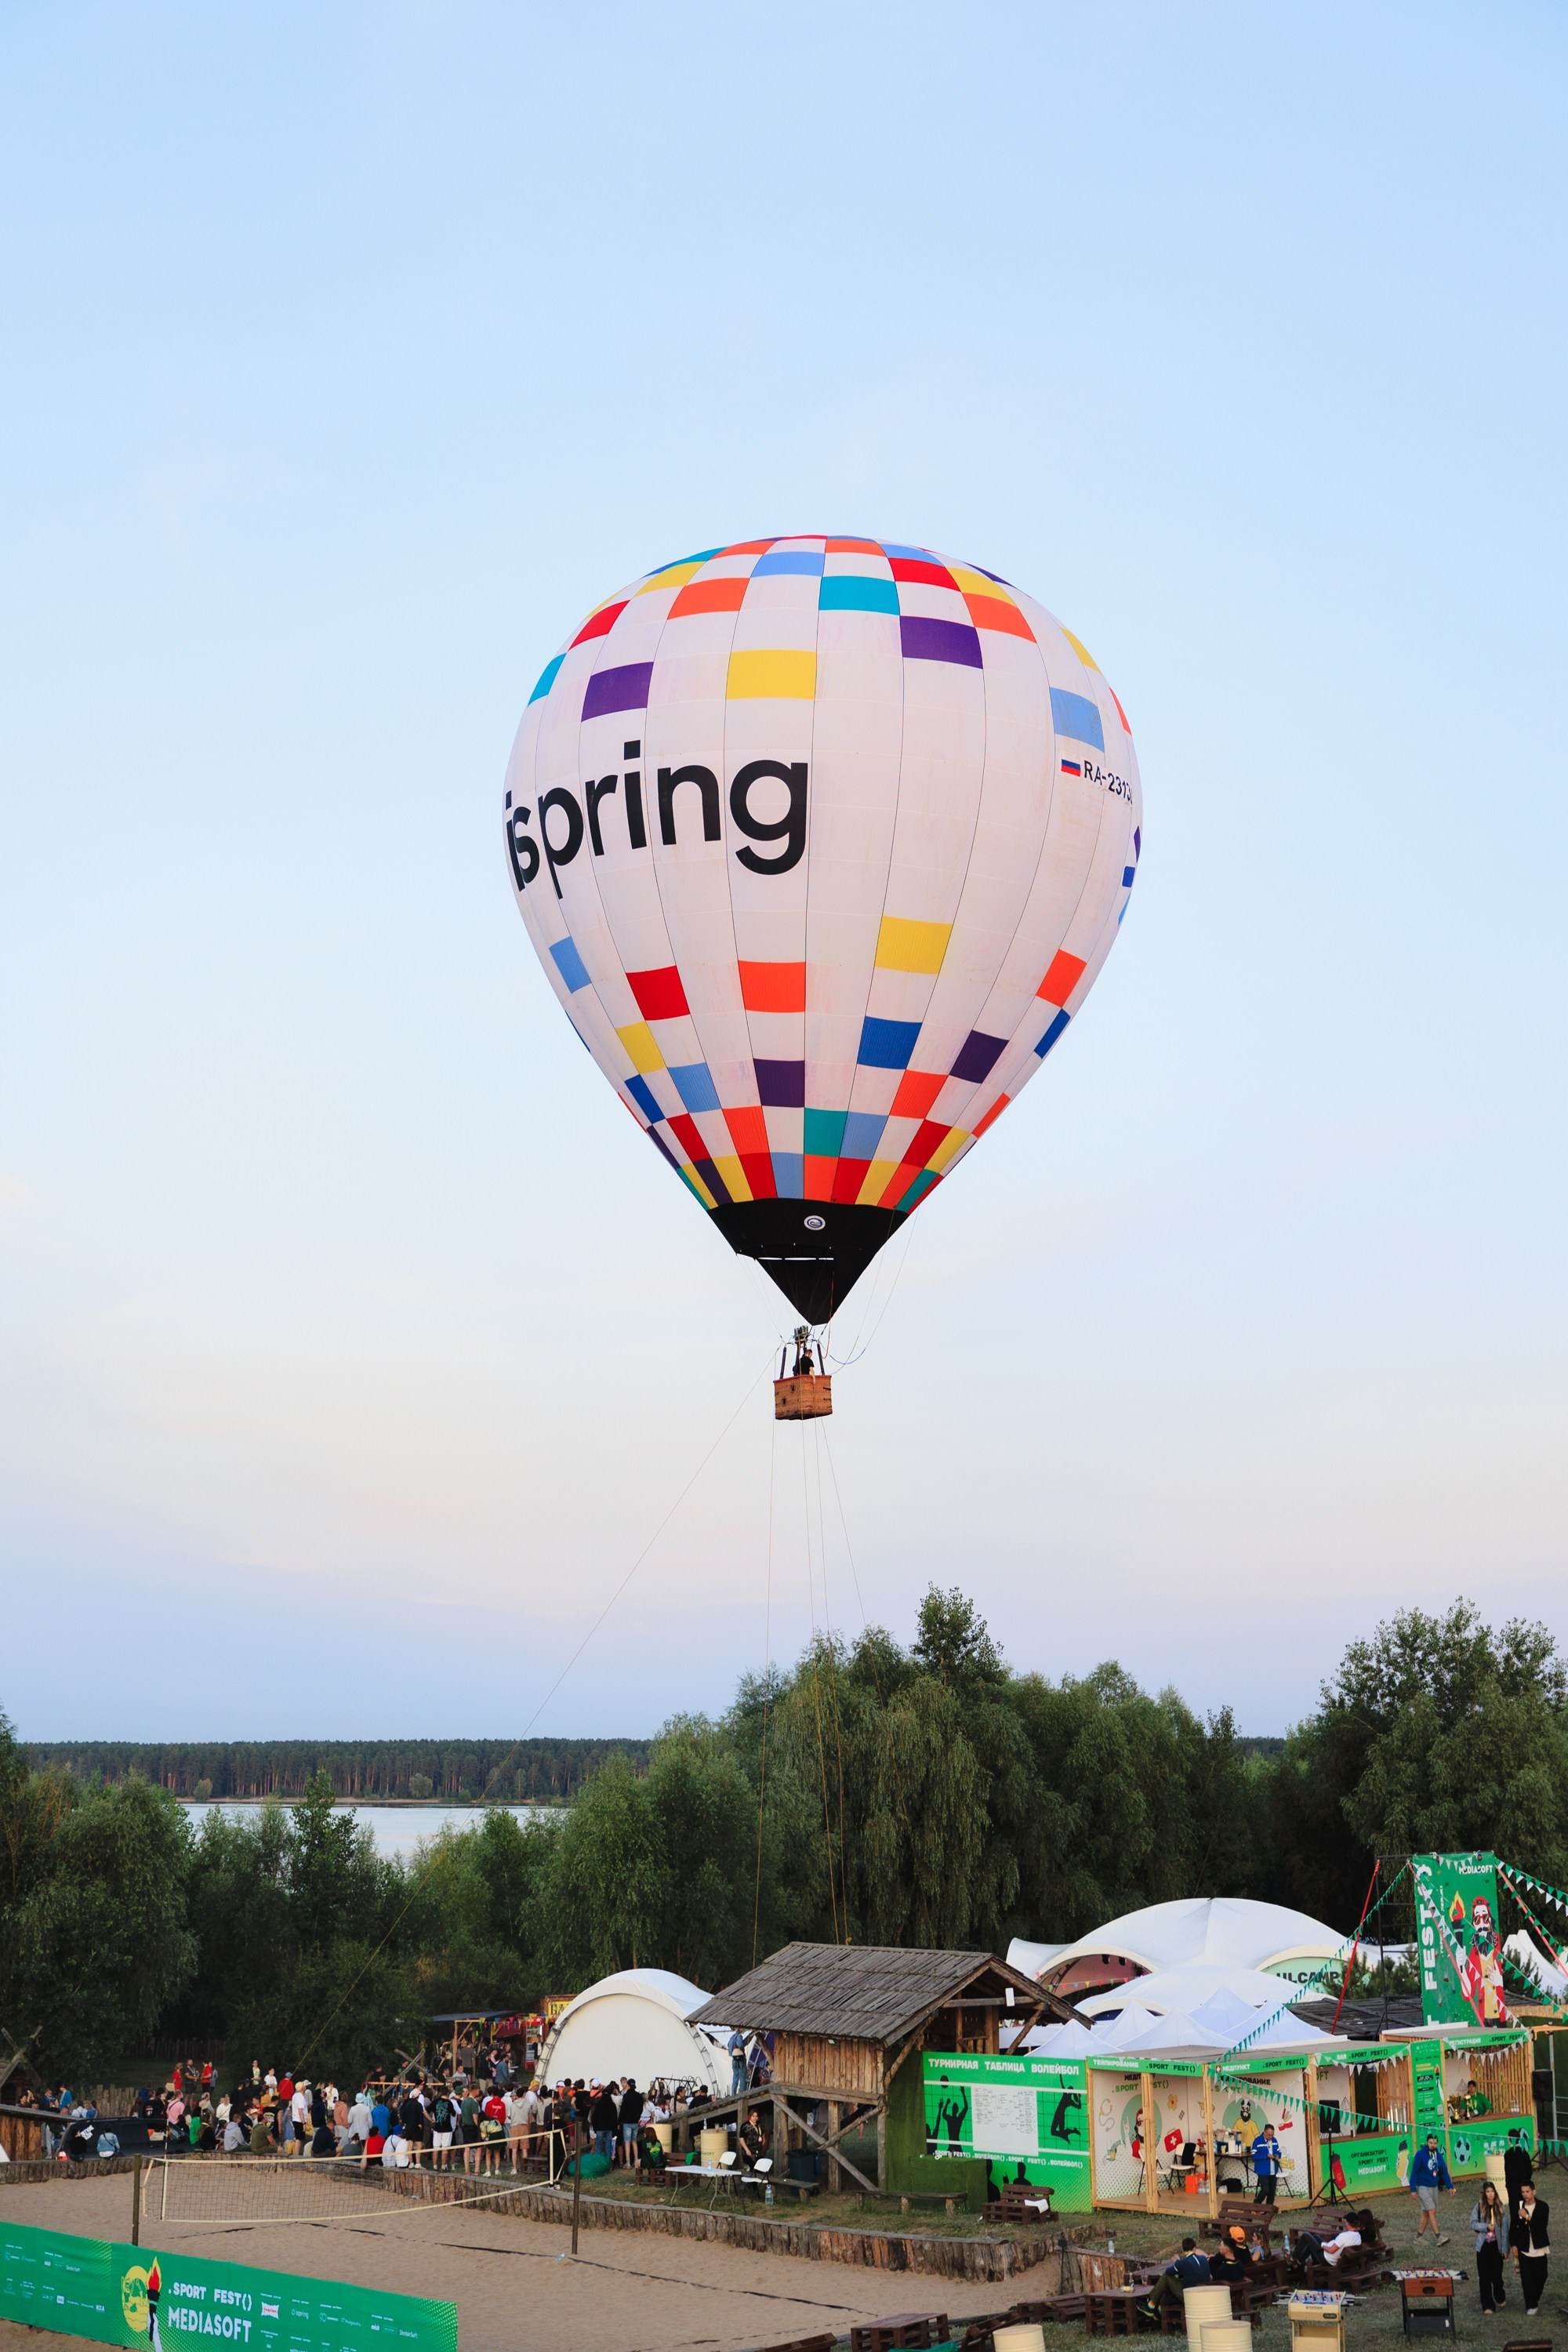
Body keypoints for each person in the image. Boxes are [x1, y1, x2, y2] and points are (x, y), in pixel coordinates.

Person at [1137, 2238, 1211, 2323]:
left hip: (1191, 2297)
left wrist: (1177, 2262)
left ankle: (1151, 2305)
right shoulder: (1203, 2259)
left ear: (1183, 2249)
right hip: (1205, 2294)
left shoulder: (1182, 2263)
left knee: (1166, 2278)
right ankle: (1159, 2310)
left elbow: (1168, 2272)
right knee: (1172, 2284)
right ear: (1195, 2248)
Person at [1471, 2178, 1510, 2313]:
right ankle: (1487, 2305)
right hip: (1483, 2246)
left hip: (1496, 2246)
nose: (1490, 2194)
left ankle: (1499, 2295)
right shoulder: (1479, 2206)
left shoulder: (1500, 2207)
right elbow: (1473, 2223)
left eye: (1492, 2191)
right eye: (1487, 2191)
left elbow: (1505, 2230)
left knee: (1497, 2276)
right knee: (1484, 2277)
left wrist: (1505, 2249)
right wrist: (1486, 2227)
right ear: (1484, 2193)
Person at [1513, 2180, 1548, 2316]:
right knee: (1526, 2279)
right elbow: (1514, 2227)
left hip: (1539, 2247)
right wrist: (1514, 2244)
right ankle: (1531, 2305)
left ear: (1534, 2191)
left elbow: (1541, 2226)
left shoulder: (1543, 2207)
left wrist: (1526, 2216)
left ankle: (1534, 2298)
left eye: (1527, 2192)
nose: (1525, 2195)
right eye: (1523, 2192)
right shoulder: (1519, 2207)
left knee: (1542, 2276)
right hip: (1524, 2248)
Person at [1410, 2132, 1454, 2243]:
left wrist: (1450, 2186)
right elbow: (1414, 2172)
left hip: (1434, 2187)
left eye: (1435, 2143)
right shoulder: (1420, 2155)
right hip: (1423, 2186)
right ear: (1427, 2142)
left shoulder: (1438, 2155)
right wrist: (1413, 2189)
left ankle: (1418, 2237)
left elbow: (1444, 2171)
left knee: (1426, 2213)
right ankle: (1439, 2237)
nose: (1433, 2145)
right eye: (1430, 2143)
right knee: (1431, 2211)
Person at [1504, 2129, 1534, 2216]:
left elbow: (1508, 2171)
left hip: (1513, 2187)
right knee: (1525, 2207)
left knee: (1514, 2210)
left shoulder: (1508, 2154)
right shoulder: (1525, 2153)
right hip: (1523, 2185)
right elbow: (1530, 2170)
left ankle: (1515, 2227)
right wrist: (1526, 2181)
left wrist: (1508, 2185)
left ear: (1509, 2139)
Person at [1250, 2123, 1281, 2205]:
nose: (1271, 2137)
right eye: (1269, 2135)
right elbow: (1253, 2155)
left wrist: (1278, 2156)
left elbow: (1278, 2151)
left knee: (1272, 2192)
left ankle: (1268, 2210)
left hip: (1273, 2170)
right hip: (1262, 2170)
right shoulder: (1257, 2141)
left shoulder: (1274, 2140)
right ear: (1264, 2132)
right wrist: (1266, 2156)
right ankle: (1256, 2204)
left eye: (1272, 2135)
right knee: (1265, 2190)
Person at [589, 2082, 619, 2162]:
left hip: (600, 2128)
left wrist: (595, 2128)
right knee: (608, 2147)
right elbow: (614, 2118)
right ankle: (608, 2163)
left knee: (599, 2147)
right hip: (609, 2128)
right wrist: (614, 2129)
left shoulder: (598, 2104)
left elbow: (595, 2117)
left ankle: (599, 2163)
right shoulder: (612, 2105)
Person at [618, 2079, 641, 2168]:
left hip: (627, 2122)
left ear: (628, 2085)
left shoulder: (626, 2096)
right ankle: (636, 2161)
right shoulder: (639, 2096)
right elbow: (641, 2109)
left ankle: (628, 2163)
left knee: (627, 2142)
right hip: (635, 2122)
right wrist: (638, 2118)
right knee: (634, 2141)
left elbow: (623, 2110)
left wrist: (620, 2121)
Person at [728, 2031, 748, 2097]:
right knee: (742, 2077)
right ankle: (743, 2093)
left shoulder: (732, 2037)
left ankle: (733, 2094)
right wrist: (742, 2051)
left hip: (734, 2060)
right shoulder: (739, 2036)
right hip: (740, 2060)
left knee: (735, 2077)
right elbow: (741, 2045)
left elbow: (728, 2045)